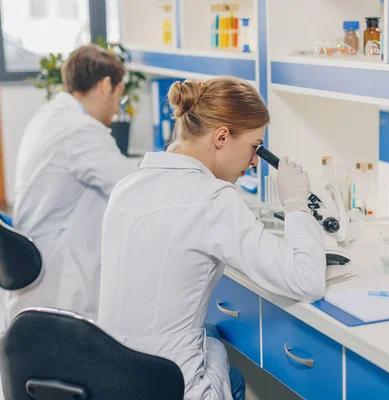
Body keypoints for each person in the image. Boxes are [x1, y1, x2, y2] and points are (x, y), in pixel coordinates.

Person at [98, 77, 326, 400]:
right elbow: (307, 279)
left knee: (212, 336)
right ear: (221, 137)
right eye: (254, 147)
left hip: (112, 382)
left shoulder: (126, 187)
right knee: (231, 370)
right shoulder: (214, 199)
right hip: (172, 390)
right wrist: (296, 204)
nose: (253, 162)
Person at [9, 44, 138, 323]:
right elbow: (132, 186)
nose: (118, 108)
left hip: (40, 268)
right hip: (59, 281)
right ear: (106, 85)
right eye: (119, 93)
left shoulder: (52, 115)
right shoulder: (80, 130)